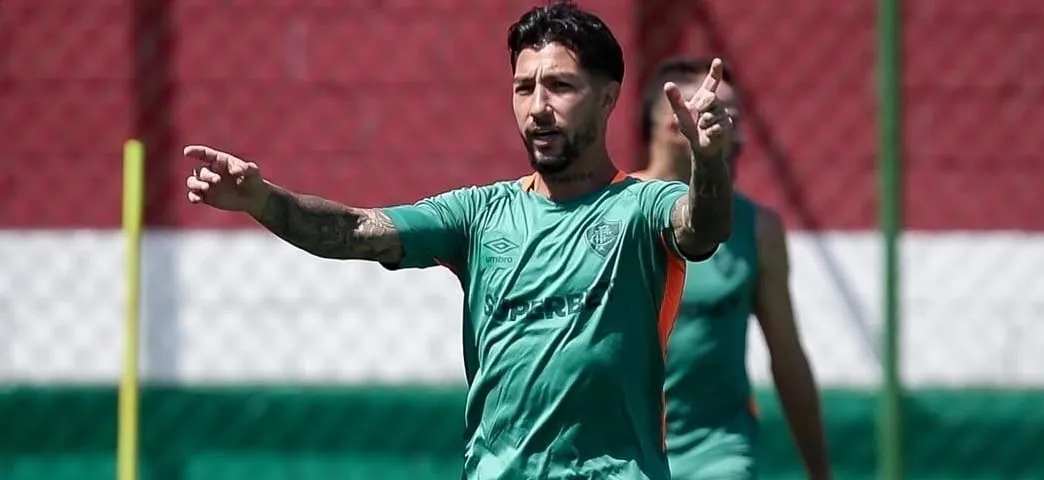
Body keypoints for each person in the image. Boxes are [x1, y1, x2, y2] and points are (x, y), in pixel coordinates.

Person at [184, 1, 734, 478]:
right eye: (524, 87)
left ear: (608, 98)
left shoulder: (642, 207)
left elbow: (702, 228)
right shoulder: (477, 214)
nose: (537, 106)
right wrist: (262, 200)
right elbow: (354, 229)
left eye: (560, 86)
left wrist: (708, 162)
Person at [634, 58, 831, 479]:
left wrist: (820, 471)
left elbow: (788, 357)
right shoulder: (608, 216)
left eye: (735, 118)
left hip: (718, 451)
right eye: (717, 113)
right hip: (622, 452)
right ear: (673, 124)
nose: (735, 131)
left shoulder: (758, 230)